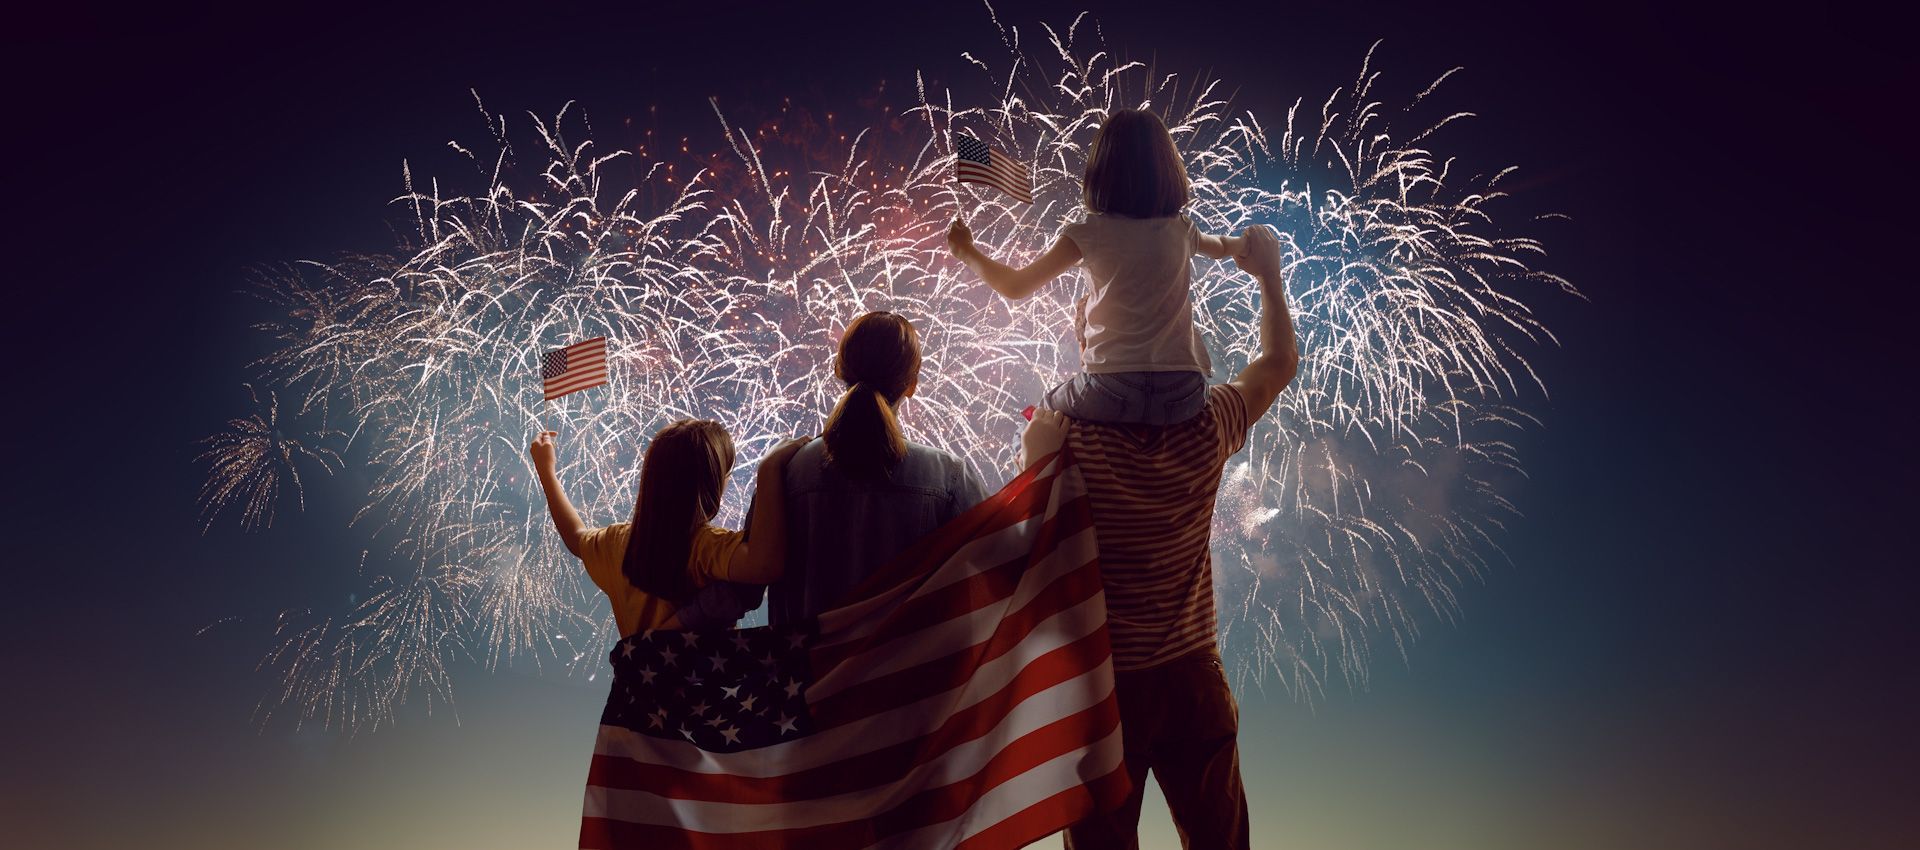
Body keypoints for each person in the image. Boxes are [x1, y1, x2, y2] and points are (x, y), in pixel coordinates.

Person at [1024, 224, 1300, 849]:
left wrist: (1036, 451)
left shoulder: (1065, 433)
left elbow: (1033, 547)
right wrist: (1269, 278)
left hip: (1104, 683)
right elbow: (1279, 363)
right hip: (1191, 678)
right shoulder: (1210, 424)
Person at [947, 107, 1247, 427]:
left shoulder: (1088, 234)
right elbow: (1223, 248)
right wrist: (1245, 246)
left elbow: (1016, 286)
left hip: (1112, 388)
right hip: (1185, 391)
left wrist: (966, 251)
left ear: (1100, 172)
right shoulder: (1182, 228)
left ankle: (1068, 476)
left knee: (1043, 414)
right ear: (1168, 169)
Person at [765, 310, 990, 623]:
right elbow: (1006, 566)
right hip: (909, 670)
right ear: (912, 384)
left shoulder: (787, 471)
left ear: (838, 369)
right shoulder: (948, 476)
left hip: (806, 670)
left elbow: (747, 580)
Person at [527, 419, 806, 638]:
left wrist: (546, 471)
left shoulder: (617, 543)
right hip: (703, 702)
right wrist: (768, 471)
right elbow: (764, 566)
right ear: (710, 483)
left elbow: (575, 538)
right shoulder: (703, 545)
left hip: (642, 701)